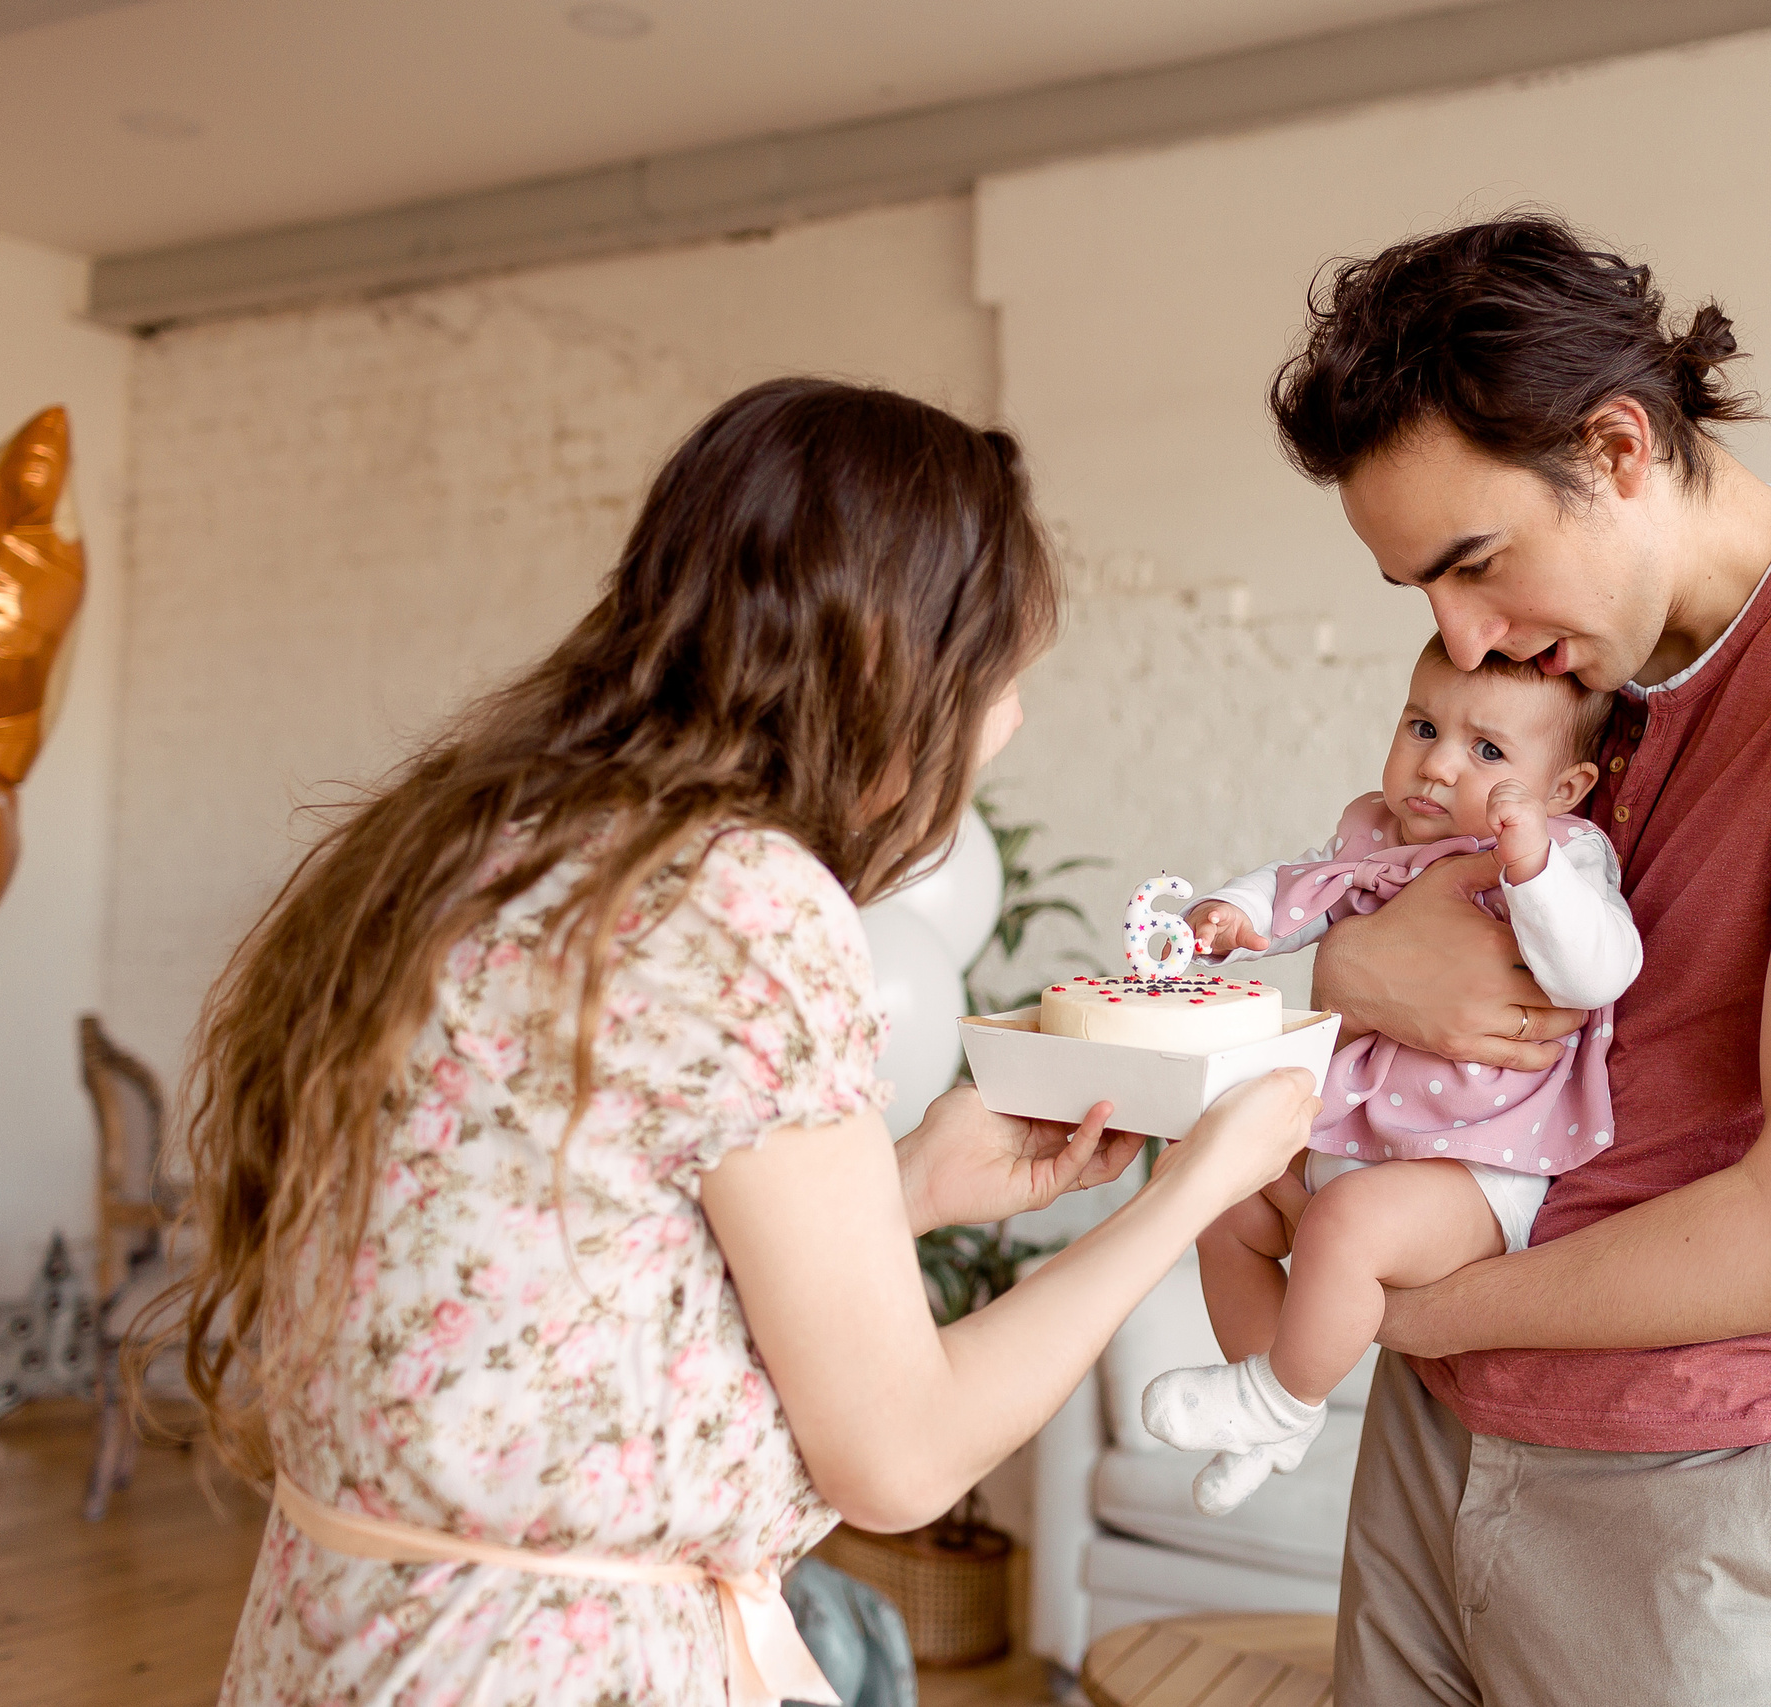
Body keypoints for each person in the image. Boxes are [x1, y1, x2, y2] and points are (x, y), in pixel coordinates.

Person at [149, 379, 1317, 1707]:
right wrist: (1191, 1192)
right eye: (1001, 678)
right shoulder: (741, 898)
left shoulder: (472, 844)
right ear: (889, 663)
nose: (1009, 721)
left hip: (345, 1639)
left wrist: (908, 1184)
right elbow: (905, 1456)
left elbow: (578, 1272)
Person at [1273, 218, 1771, 1703]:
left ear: (1618, 447)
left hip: (1693, 1473)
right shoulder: (1560, 672)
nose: (1462, 639)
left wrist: (1397, 1306)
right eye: (1423, 595)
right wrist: (1344, 970)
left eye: (1477, 564)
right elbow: (1393, 944)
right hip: (1437, 1421)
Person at [1142, 639, 1639, 1515]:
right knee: (1217, 1191)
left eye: (1488, 750)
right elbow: (1299, 884)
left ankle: (1282, 1397)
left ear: (1565, 787)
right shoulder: (1375, 831)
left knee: (1345, 1224)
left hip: (1474, 1169)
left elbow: (1596, 970)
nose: (1438, 765)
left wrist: (1531, 869)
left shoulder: (1565, 853)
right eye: (1422, 727)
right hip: (1356, 1138)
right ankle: (1268, 1409)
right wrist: (1235, 913)